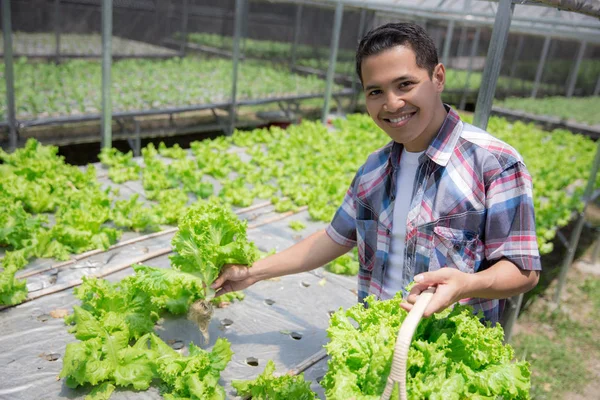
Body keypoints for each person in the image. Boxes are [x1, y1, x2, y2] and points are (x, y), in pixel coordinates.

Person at [212, 22, 541, 325]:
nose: (393, 103)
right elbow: (335, 238)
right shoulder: (375, 169)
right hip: (377, 338)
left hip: (448, 348)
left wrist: (467, 285)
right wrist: (253, 273)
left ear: (438, 77)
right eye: (375, 92)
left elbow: (523, 271)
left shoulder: (494, 163)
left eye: (405, 84)